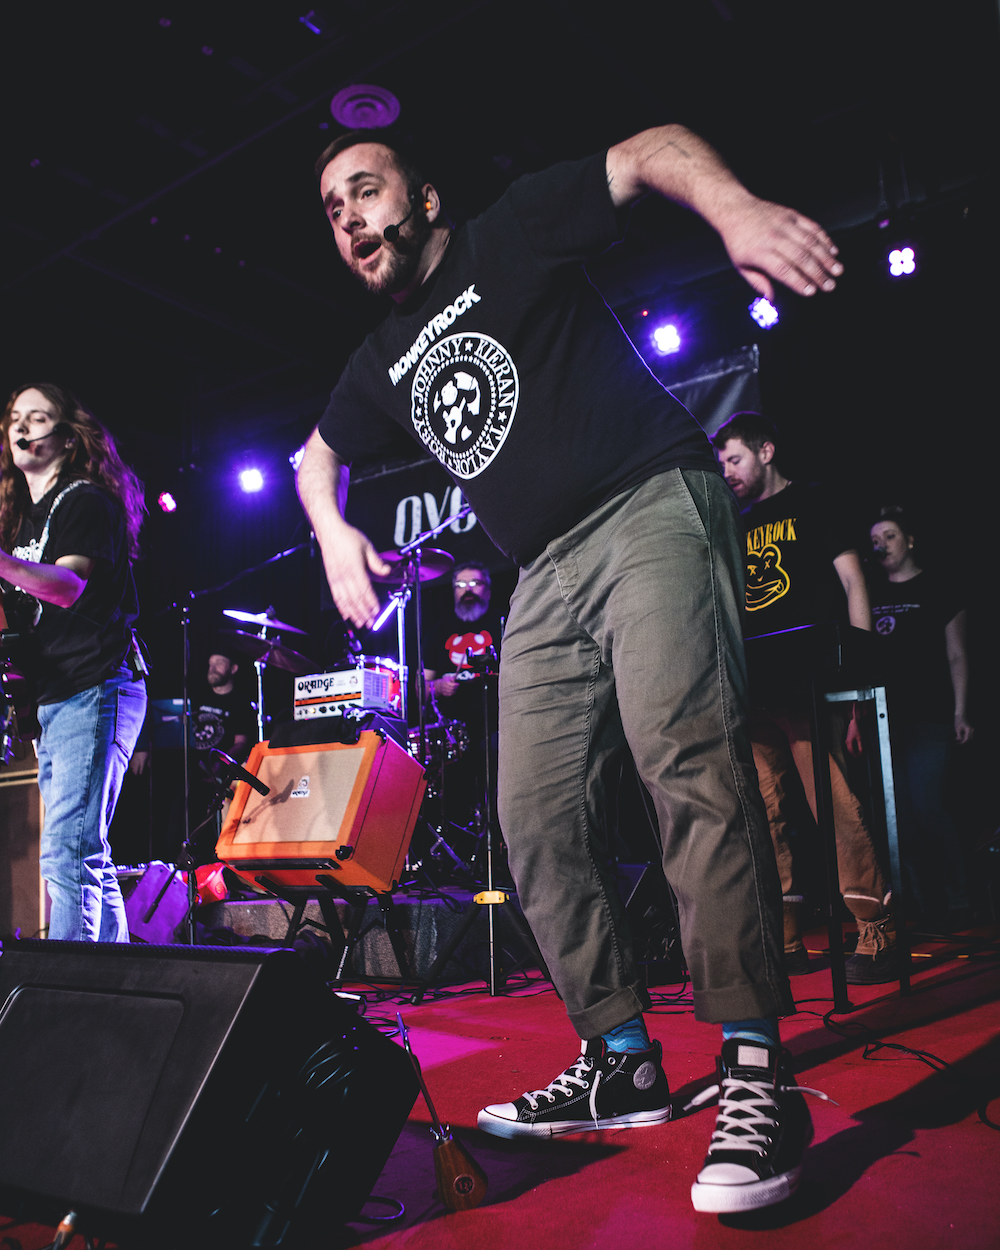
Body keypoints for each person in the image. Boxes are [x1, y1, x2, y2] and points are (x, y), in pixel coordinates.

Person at [296, 124, 843, 1214]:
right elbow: (320, 456)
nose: (351, 215)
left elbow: (651, 149)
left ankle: (752, 1066)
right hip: (541, 569)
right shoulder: (376, 362)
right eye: (332, 208)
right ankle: (622, 1056)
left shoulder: (512, 232)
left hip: (646, 501)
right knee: (532, 812)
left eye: (367, 189)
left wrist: (731, 208)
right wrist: (330, 530)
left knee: (681, 759)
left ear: (428, 196)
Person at [712, 412, 898, 985]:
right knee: (762, 814)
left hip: (809, 680)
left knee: (833, 800)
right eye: (722, 464)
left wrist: (861, 670)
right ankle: (786, 939)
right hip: (754, 684)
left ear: (766, 451)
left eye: (735, 459)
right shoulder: (734, 523)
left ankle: (876, 929)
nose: (728, 472)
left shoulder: (814, 503)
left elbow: (852, 582)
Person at [0, 383, 147, 942]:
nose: (22, 426)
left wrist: (3, 563)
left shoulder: (83, 499)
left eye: (38, 417)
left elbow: (67, 587)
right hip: (59, 695)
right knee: (86, 853)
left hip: (96, 683)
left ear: (66, 437)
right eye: (15, 417)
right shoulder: (26, 522)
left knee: (67, 851)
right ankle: (115, 990)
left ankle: (73, 998)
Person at [869, 506, 973, 929]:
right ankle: (918, 902)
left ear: (909, 540)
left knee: (928, 807)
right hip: (884, 719)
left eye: (890, 536)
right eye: (875, 539)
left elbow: (957, 654)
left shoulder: (938, 586)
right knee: (899, 819)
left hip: (930, 717)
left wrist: (961, 710)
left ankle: (959, 898)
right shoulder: (870, 593)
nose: (881, 545)